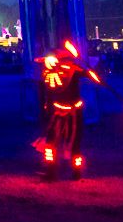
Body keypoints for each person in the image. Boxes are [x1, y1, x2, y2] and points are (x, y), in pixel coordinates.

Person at [35, 40, 88, 180]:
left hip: (74, 112)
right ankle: (50, 170)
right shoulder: (46, 74)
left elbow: (90, 75)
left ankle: (76, 172)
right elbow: (45, 94)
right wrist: (45, 108)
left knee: (74, 143)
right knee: (50, 142)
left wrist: (89, 71)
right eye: (46, 60)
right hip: (56, 112)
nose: (48, 62)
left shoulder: (73, 71)